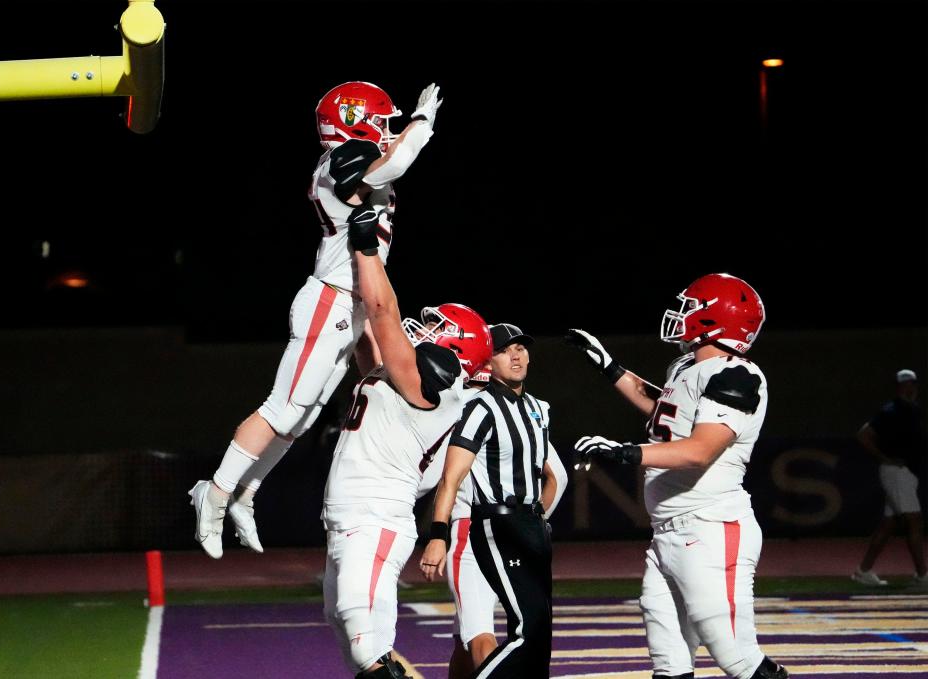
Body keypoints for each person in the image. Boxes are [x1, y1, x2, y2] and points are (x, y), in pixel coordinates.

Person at [188, 81, 444, 558]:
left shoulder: (355, 162)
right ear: (354, 121)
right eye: (382, 122)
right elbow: (394, 162)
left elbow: (387, 165)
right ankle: (216, 491)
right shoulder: (342, 160)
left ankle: (247, 493)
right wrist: (422, 124)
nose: (387, 132)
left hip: (351, 306)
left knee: (303, 418)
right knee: (283, 407)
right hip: (330, 299)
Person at [567, 273, 789, 679]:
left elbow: (699, 450)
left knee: (737, 658)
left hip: (711, 526)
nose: (680, 312)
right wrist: (610, 367)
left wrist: (625, 452)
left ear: (718, 318)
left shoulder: (737, 376)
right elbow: (666, 411)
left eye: (691, 306)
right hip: (669, 531)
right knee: (669, 663)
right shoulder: (687, 366)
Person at [322, 209, 493, 678]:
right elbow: (366, 336)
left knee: (366, 647)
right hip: (351, 517)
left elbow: (383, 314)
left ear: (456, 350)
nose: (424, 331)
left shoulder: (434, 384)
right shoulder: (410, 380)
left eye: (438, 327)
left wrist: (368, 248)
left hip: (375, 517)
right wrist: (348, 271)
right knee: (355, 644)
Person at [420, 323, 560, 678]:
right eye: (503, 350)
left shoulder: (536, 410)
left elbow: (555, 476)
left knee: (495, 636)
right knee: (483, 636)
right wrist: (437, 532)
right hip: (479, 528)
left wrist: (537, 517)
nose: (516, 355)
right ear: (486, 359)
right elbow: (447, 476)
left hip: (523, 528)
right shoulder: (474, 406)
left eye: (521, 348)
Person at [851, 369, 927, 587]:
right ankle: (923, 575)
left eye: (912, 384)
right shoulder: (892, 410)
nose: (909, 388)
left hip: (906, 473)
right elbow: (863, 435)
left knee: (888, 524)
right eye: (905, 385)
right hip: (896, 473)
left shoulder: (913, 409)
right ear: (898, 387)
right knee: (914, 521)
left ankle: (863, 571)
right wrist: (885, 458)